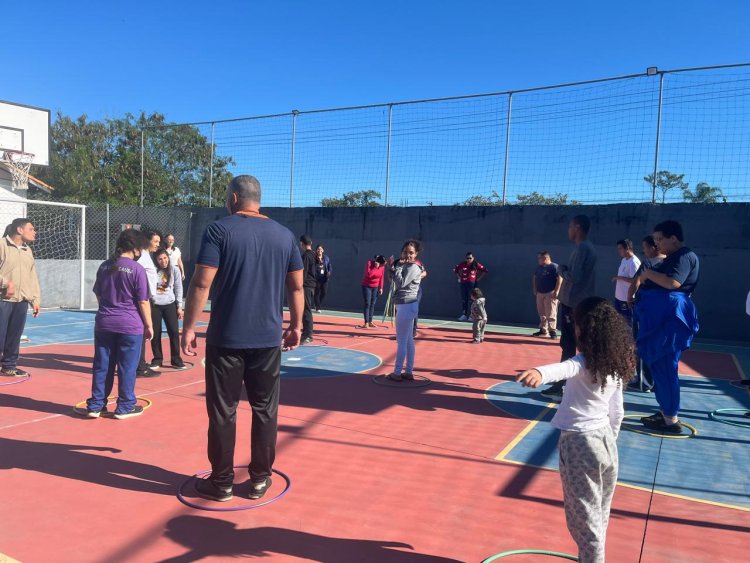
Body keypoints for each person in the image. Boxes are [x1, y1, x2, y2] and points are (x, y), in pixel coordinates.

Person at [181, 175, 303, 503]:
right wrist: (296, 325)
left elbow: (201, 284)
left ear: (234, 198)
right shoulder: (285, 236)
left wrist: (189, 327)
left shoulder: (220, 230)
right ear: (257, 199)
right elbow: (296, 287)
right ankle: (260, 479)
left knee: (223, 411)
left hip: (226, 338)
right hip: (267, 339)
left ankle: (221, 482)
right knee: (265, 410)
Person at [517, 297, 634, 563]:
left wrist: (538, 371)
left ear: (582, 329)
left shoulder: (583, 362)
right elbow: (618, 411)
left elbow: (565, 368)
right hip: (605, 442)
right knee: (600, 512)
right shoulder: (613, 366)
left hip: (580, 443)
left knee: (583, 517)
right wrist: (610, 441)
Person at [634, 220, 699, 435]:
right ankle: (665, 412)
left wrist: (647, 275)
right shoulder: (671, 258)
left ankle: (671, 420)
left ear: (673, 238)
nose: (657, 243)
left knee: (665, 367)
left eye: (660, 239)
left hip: (670, 319)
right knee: (658, 366)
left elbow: (673, 283)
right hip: (660, 317)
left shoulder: (684, 256)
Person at [86, 229, 154, 419]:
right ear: (136, 248)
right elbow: (143, 301)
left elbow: (98, 293)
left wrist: (108, 310)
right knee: (127, 367)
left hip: (105, 322)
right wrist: (149, 325)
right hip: (129, 325)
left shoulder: (105, 266)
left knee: (102, 365)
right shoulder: (136, 269)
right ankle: (125, 406)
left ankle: (96, 405)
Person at [541, 215, 597, 400]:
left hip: (575, 304)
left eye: (570, 226)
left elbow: (574, 276)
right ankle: (567, 382)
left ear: (578, 228)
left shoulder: (583, 248)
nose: (568, 230)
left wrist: (561, 269)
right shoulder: (584, 248)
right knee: (572, 344)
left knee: (570, 345)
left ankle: (563, 385)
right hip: (575, 303)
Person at [0, 218, 41, 377]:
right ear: (19, 230)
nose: (34, 232)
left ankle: (9, 365)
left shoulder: (27, 250)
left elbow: (32, 276)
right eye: (31, 229)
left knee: (14, 335)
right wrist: (6, 283)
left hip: (21, 301)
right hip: (3, 300)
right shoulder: (2, 245)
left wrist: (35, 300)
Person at [627, 235, 665, 390]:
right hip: (663, 310)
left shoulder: (648, 263)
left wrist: (629, 298)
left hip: (645, 309)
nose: (644, 251)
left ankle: (644, 382)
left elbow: (635, 283)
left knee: (641, 343)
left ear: (653, 247)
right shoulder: (671, 262)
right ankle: (658, 380)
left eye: (645, 247)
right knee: (659, 345)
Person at [386, 240, 425, 381]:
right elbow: (393, 280)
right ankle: (408, 371)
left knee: (402, 341)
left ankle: (397, 373)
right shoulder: (406, 266)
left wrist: (397, 267)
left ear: (416, 254)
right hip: (407, 305)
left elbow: (401, 283)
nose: (408, 255)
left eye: (411, 253)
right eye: (405, 252)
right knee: (408, 340)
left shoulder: (413, 267)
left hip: (406, 305)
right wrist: (391, 267)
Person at [150, 248, 185, 369]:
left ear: (168, 258)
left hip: (170, 304)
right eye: (160, 259)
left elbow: (178, 288)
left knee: (174, 332)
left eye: (165, 258)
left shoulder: (175, 270)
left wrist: (179, 306)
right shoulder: (152, 271)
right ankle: (157, 359)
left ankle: (176, 359)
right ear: (156, 260)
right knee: (155, 333)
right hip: (155, 306)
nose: (163, 261)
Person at [136, 230, 161, 378]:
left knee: (142, 334)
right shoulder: (140, 257)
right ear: (147, 241)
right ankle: (139, 367)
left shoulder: (147, 255)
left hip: (148, 298)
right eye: (155, 241)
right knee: (142, 332)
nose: (158, 244)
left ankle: (139, 364)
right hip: (142, 299)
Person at [611, 239, 641, 328]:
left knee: (628, 324)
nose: (619, 251)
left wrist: (619, 278)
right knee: (618, 323)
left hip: (626, 299)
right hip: (619, 298)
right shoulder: (624, 260)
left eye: (620, 249)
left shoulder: (634, 262)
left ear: (627, 248)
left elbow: (636, 280)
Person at [531, 251, 561, 338]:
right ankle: (543, 330)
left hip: (550, 293)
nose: (538, 260)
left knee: (551, 312)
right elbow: (535, 277)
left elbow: (560, 279)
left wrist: (556, 291)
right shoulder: (539, 268)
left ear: (545, 258)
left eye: (539, 258)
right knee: (542, 312)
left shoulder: (554, 267)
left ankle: (553, 331)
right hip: (540, 293)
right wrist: (535, 288)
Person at [454, 252, 488, 321]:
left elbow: (485, 270)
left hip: (472, 284)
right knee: (464, 299)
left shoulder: (476, 264)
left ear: (473, 258)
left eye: (470, 258)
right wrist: (459, 278)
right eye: (467, 258)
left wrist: (478, 279)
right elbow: (455, 270)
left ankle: (472, 316)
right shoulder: (463, 264)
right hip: (463, 284)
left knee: (472, 300)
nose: (469, 259)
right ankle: (464, 315)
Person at [361, 255, 386, 328]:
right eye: (381, 263)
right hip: (366, 286)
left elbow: (382, 277)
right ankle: (366, 322)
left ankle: (370, 321)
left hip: (375, 287)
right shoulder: (369, 263)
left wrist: (381, 287)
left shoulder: (382, 267)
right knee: (367, 303)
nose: (382, 265)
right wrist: (375, 267)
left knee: (373, 303)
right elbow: (369, 275)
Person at [299, 234, 316, 344]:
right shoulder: (314, 255)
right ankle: (306, 333)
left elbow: (303, 272)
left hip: (306, 285)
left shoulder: (306, 256)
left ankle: (308, 334)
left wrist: (299, 285)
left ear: (302, 244)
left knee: (306, 310)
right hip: (312, 285)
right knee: (306, 309)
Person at [313, 244, 332, 313]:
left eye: (321, 249)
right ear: (316, 250)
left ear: (323, 250)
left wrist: (329, 272)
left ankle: (318, 304)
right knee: (317, 293)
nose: (319, 250)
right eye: (318, 249)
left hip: (324, 279)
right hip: (316, 278)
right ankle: (318, 307)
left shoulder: (326, 258)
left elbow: (329, 266)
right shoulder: (314, 258)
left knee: (324, 292)